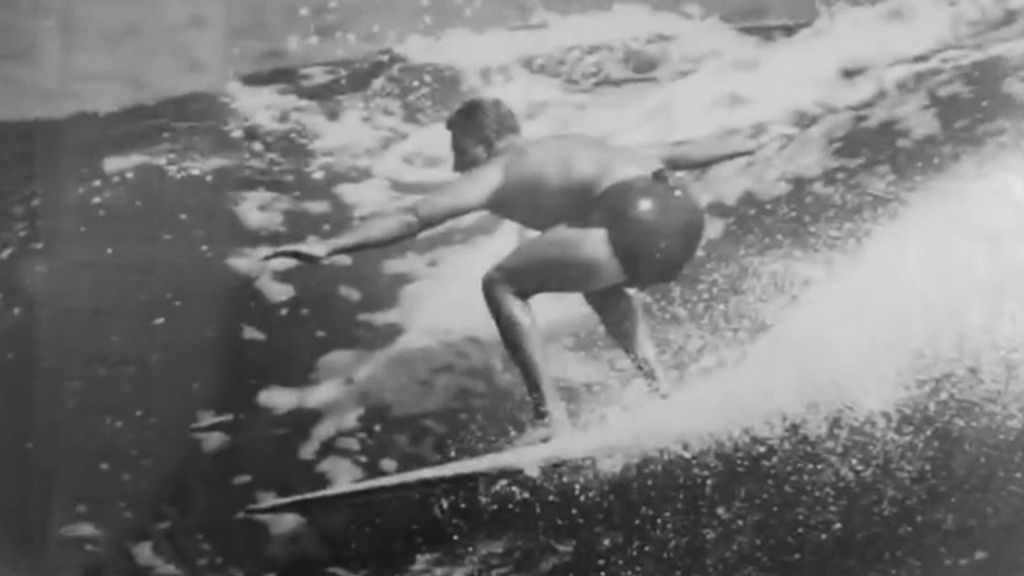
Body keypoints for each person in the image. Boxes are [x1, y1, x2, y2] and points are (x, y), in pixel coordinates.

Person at [264, 97, 770, 439]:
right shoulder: (574, 147)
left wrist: (331, 245)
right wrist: (755, 140)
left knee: (502, 282)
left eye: (459, 148)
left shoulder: (499, 168)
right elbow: (678, 153)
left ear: (483, 142)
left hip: (629, 218)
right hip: (678, 213)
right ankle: (663, 388)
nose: (457, 163)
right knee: (599, 282)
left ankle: (552, 418)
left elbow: (412, 217)